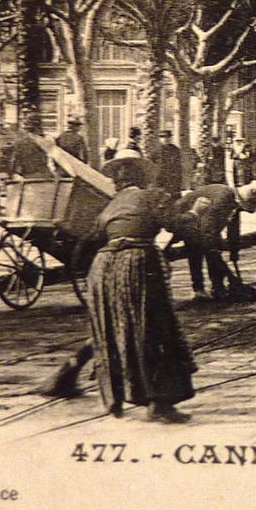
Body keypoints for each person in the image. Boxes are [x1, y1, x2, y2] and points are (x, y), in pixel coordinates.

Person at [84, 151, 195, 422]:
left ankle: (114, 399)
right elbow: (175, 223)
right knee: (154, 330)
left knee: (111, 329)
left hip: (103, 267)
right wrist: (194, 214)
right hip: (137, 263)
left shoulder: (111, 204)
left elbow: (93, 237)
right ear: (143, 174)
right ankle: (160, 403)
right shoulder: (152, 196)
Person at [167, 181, 256, 302]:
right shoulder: (222, 198)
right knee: (197, 252)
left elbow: (233, 229)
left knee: (213, 253)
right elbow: (207, 224)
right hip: (188, 218)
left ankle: (217, 287)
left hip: (203, 222)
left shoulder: (234, 203)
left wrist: (234, 250)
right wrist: (212, 247)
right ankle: (199, 290)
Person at [153, 129, 184, 194]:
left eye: (167, 137)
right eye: (162, 137)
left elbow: (179, 166)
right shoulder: (156, 151)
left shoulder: (176, 150)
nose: (165, 139)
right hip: (160, 179)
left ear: (170, 138)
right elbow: (152, 165)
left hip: (173, 180)